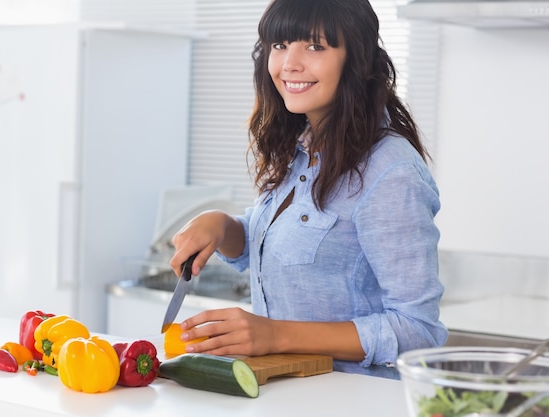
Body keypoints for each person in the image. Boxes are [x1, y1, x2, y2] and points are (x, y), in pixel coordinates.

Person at [169, 0, 448, 379]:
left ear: (357, 58)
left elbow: (418, 331)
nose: (289, 64)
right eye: (280, 45)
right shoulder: (302, 147)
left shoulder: (389, 170)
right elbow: (281, 245)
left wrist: (274, 335)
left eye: (315, 46)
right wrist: (221, 226)